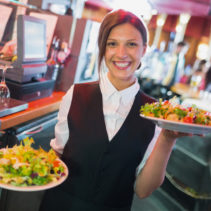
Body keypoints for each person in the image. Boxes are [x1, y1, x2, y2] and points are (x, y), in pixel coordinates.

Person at [39, 9, 189, 211]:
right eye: (112, 44)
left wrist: (167, 139)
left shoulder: (156, 113)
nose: (121, 53)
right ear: (103, 48)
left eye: (131, 44)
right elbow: (56, 157)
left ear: (144, 50)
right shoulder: (76, 94)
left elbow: (143, 190)